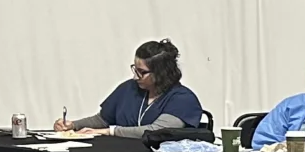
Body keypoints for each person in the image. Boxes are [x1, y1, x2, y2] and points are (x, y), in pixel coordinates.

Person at [57, 38, 206, 131]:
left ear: (160, 72)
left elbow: (157, 130)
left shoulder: (182, 99)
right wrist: (72, 125)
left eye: (141, 72)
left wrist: (110, 131)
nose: (135, 77)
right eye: (135, 69)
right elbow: (102, 119)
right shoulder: (128, 89)